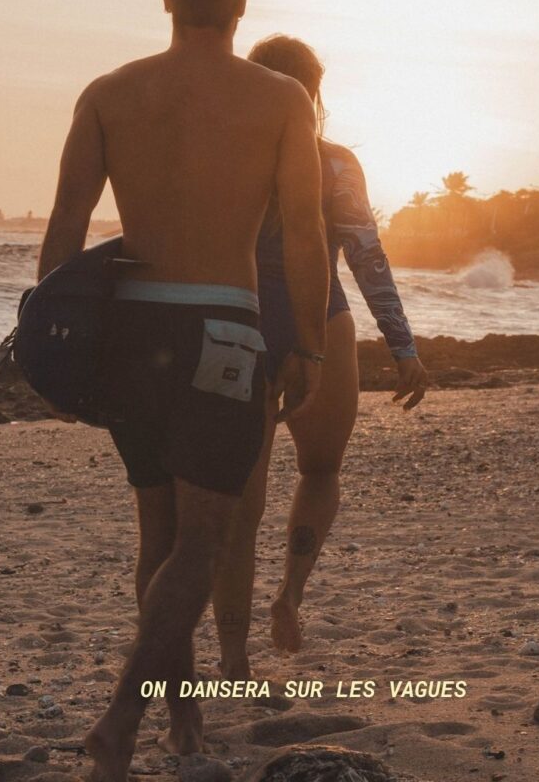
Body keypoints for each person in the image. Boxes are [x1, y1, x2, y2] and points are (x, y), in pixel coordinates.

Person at [36, 0, 329, 780]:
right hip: (223, 332)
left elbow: (65, 224)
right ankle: (125, 716)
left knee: (158, 530)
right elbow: (304, 235)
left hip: (130, 331)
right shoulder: (281, 100)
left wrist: (51, 345)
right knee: (204, 537)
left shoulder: (109, 93)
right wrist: (306, 343)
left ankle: (183, 715)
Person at [213, 35, 428, 678]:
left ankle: (234, 659)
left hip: (240, 323)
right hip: (322, 320)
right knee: (321, 470)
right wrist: (402, 345)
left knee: (241, 505)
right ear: (314, 93)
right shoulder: (333, 162)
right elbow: (366, 256)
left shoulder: (224, 155)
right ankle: (289, 595)